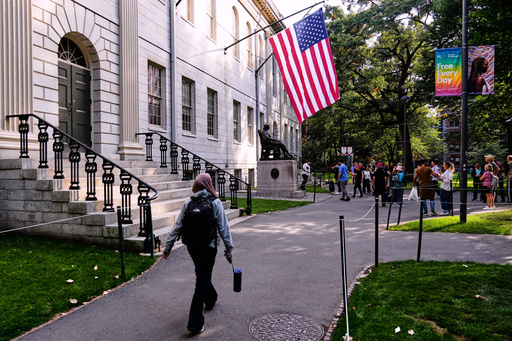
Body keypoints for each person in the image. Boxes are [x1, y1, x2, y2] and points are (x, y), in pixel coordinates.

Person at [162, 173, 234, 334]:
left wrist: (168, 247)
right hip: (209, 246)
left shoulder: (188, 202)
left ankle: (211, 298)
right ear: (209, 184)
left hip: (192, 246)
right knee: (202, 278)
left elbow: (178, 226)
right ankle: (195, 322)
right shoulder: (215, 202)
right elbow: (223, 228)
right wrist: (229, 249)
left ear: (196, 185)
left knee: (201, 273)